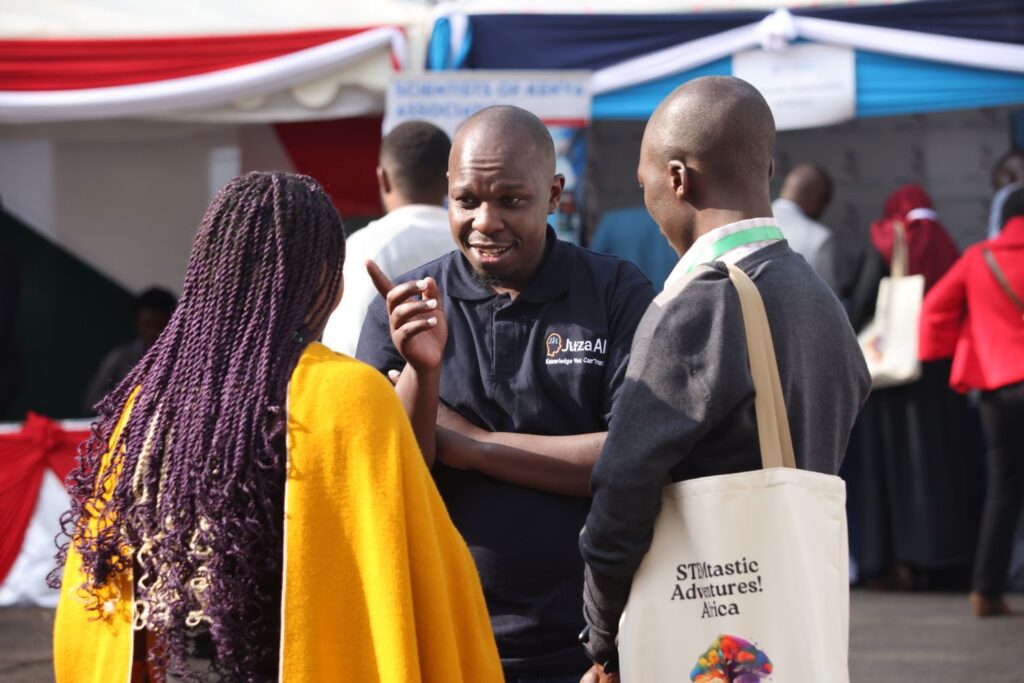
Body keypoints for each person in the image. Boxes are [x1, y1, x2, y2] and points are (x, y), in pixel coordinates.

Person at [51, 172, 502, 682]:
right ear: (328, 279)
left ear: (206, 271)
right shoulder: (348, 397)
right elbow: (422, 569)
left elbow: (95, 596)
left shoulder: (144, 406)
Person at [577, 76, 870, 680]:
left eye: (646, 183)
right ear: (764, 166)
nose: (651, 199)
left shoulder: (694, 307)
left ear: (678, 178)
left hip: (702, 635)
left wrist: (601, 634)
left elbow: (622, 491)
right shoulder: (822, 303)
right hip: (794, 625)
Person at [357, 105, 657, 681]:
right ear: (448, 192)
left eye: (511, 201)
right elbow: (390, 480)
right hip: (440, 640)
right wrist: (421, 373)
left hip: (588, 648)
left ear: (554, 195)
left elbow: (634, 457)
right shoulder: (406, 310)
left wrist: (473, 445)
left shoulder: (616, 292)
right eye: (467, 200)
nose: (485, 221)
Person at [849, 184, 979, 591]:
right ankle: (942, 558)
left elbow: (861, 305)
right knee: (941, 468)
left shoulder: (888, 240)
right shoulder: (948, 243)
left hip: (894, 380)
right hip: (941, 380)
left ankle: (898, 560)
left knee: (897, 473)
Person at [919, 187, 1024, 617]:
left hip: (997, 389)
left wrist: (947, 351)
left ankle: (986, 590)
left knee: (1004, 488)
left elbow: (934, 311)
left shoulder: (979, 257)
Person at [321, 121, 456, 355]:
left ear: (382, 178)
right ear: (449, 180)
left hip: (381, 387)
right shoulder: (472, 242)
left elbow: (345, 348)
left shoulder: (362, 246)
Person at [81, 287, 177, 414]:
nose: (153, 332)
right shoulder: (120, 356)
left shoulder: (181, 360)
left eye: (160, 326)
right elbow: (92, 401)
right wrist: (128, 401)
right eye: (147, 325)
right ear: (137, 322)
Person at [772, 163, 840, 292]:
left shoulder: (747, 222)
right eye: (823, 204)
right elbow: (827, 301)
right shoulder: (818, 239)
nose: (822, 212)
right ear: (815, 198)